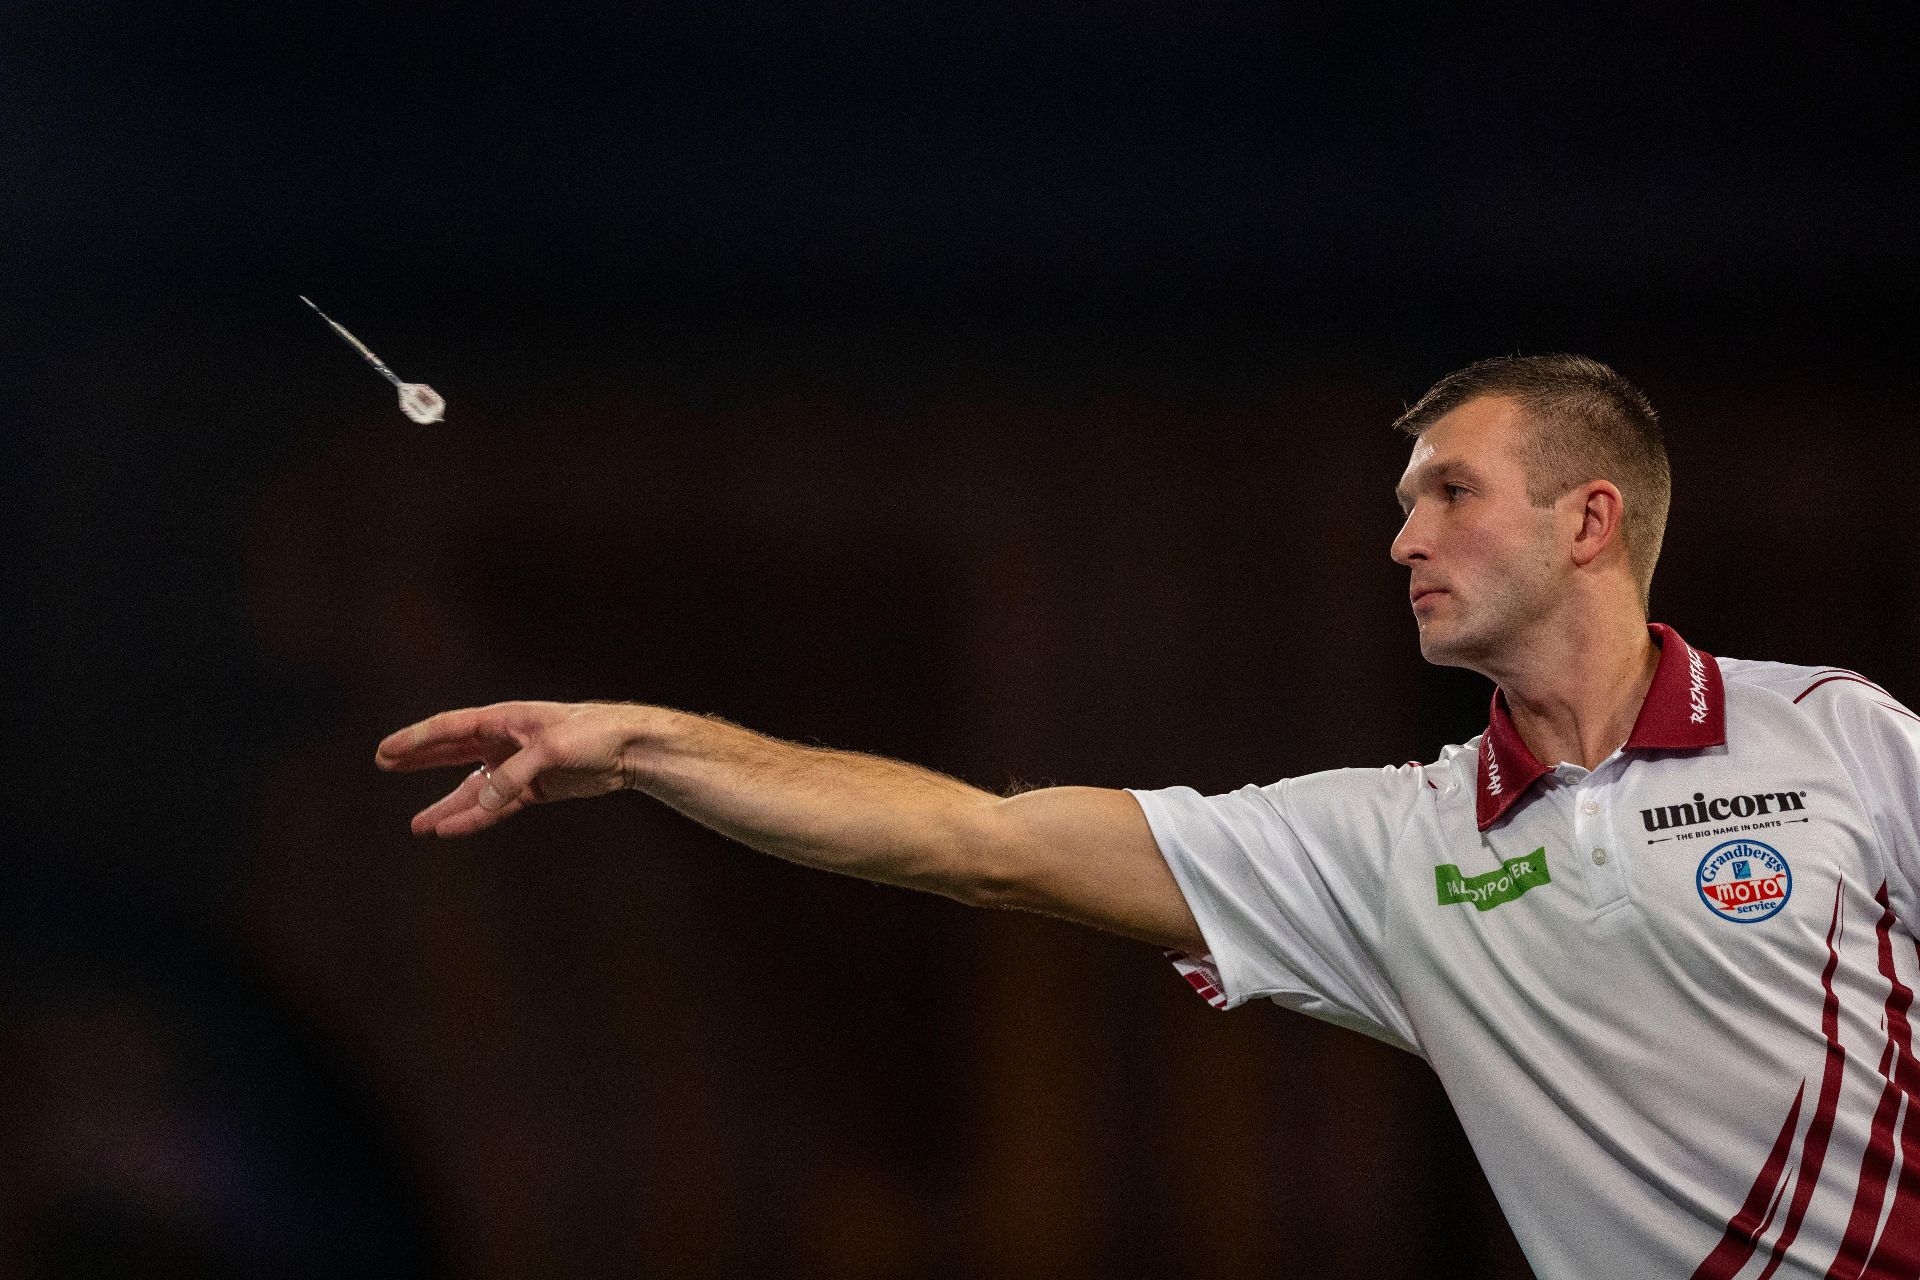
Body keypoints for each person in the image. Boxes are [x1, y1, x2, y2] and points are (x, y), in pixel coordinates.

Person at [377, 355, 1920, 1278]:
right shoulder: (1395, 847)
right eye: (1401, 502)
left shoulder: (1841, 738)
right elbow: (981, 845)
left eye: (1449, 492)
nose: (1400, 539)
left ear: (1593, 519)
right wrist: (651, 744)